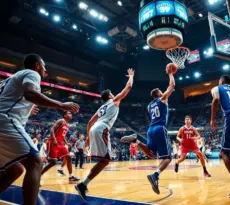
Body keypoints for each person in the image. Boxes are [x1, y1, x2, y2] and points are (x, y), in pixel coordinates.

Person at [0, 53, 79, 205]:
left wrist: (26, 110)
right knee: (36, 162)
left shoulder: (8, 80)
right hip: (5, 120)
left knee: (14, 170)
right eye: (44, 66)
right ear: (37, 65)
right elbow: (30, 93)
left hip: (3, 121)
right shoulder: (32, 73)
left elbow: (11, 100)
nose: (45, 70)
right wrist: (61, 104)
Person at [75, 68, 134, 202]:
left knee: (104, 161)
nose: (114, 95)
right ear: (109, 96)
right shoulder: (114, 101)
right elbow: (128, 87)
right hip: (102, 129)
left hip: (95, 129)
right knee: (105, 160)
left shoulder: (101, 108)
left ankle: (83, 184)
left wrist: (89, 139)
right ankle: (82, 185)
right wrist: (131, 76)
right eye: (112, 94)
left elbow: (90, 123)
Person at [120, 65, 175, 195]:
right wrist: (171, 74)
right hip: (160, 128)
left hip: (150, 129)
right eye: (161, 91)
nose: (163, 92)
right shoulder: (162, 99)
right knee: (168, 158)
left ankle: (137, 142)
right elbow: (172, 86)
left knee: (150, 154)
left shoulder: (149, 106)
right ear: (159, 94)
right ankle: (155, 175)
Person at [41, 111, 80, 183]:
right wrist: (55, 139)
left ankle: (71, 177)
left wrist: (66, 142)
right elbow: (52, 129)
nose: (71, 114)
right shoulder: (61, 121)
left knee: (68, 157)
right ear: (65, 115)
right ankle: (39, 175)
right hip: (53, 142)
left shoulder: (67, 125)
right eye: (69, 113)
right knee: (53, 162)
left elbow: (63, 135)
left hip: (60, 143)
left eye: (71, 113)